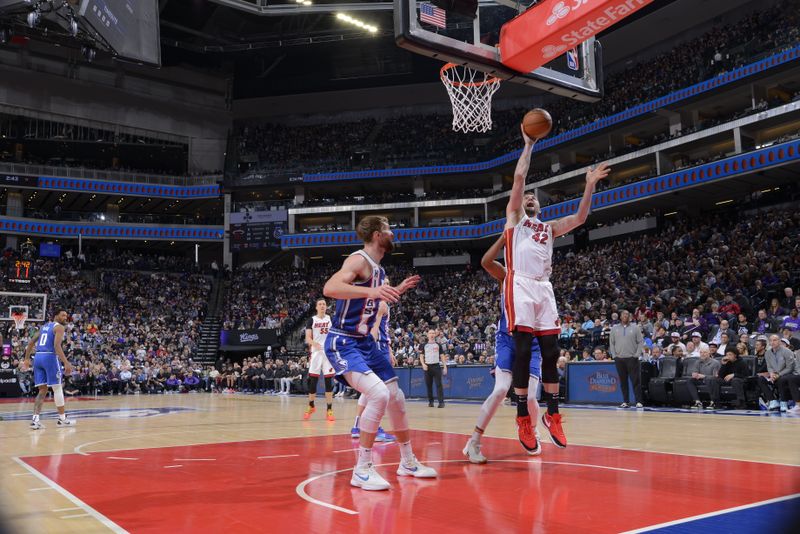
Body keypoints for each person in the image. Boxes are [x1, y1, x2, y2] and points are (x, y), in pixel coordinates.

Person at [503, 123, 610, 450]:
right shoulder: (514, 221)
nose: (530, 198)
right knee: (523, 350)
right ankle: (523, 416)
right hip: (520, 283)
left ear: (541, 206)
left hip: (544, 288)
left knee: (551, 352)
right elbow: (520, 179)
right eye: (527, 197)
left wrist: (589, 185)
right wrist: (529, 145)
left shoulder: (548, 229)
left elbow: (579, 218)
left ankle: (552, 413)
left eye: (534, 197)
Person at [323, 215, 436, 491]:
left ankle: (408, 462)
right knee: (379, 394)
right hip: (343, 341)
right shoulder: (358, 260)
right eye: (388, 229)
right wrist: (374, 291)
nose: (393, 233)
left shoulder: (380, 270)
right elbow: (330, 288)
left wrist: (393, 291)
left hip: (365, 344)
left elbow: (371, 300)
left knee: (396, 397)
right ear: (376, 235)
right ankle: (361, 469)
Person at [464, 235, 543, 463]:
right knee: (500, 390)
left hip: (533, 342)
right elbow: (486, 262)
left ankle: (533, 430)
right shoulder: (507, 274)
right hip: (508, 340)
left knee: (529, 397)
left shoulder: (541, 277)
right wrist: (503, 237)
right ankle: (474, 442)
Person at [20, 309, 75, 429]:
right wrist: (66, 362)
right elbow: (56, 346)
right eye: (63, 315)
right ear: (56, 316)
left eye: (66, 315)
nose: (65, 317)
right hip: (49, 356)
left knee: (42, 390)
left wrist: (27, 359)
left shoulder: (44, 327)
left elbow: (30, 343)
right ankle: (62, 418)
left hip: (38, 358)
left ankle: (35, 420)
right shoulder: (59, 327)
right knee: (57, 387)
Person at [351, 299, 396, 443]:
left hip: (381, 346)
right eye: (385, 283)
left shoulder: (372, 303)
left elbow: (383, 330)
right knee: (381, 391)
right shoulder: (379, 304)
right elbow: (373, 328)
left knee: (369, 389)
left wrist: (389, 349)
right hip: (376, 346)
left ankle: (357, 426)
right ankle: (374, 428)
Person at [304, 299, 335, 421]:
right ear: (316, 307)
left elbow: (336, 333)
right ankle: (311, 405)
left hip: (328, 353)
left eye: (324, 304)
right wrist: (314, 343)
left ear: (326, 307)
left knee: (329, 383)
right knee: (313, 382)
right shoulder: (311, 320)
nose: (322, 306)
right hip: (316, 353)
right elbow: (307, 338)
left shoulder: (330, 319)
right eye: (320, 304)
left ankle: (329, 409)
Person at [609, 310, 644, 408]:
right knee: (623, 381)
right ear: (620, 317)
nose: (625, 316)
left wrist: (636, 355)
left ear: (630, 317)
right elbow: (612, 343)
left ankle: (638, 401)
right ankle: (626, 401)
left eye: (627, 315)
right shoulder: (614, 329)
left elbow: (640, 342)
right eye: (623, 315)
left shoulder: (635, 327)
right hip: (619, 359)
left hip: (632, 358)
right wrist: (614, 356)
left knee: (635, 380)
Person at [765, 335, 800, 413]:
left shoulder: (788, 352)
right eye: (771, 340)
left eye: (775, 340)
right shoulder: (767, 353)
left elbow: (790, 368)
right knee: (760, 379)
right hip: (776, 374)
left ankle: (784, 402)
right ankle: (773, 401)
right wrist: (771, 374)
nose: (772, 342)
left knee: (786, 379)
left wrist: (778, 375)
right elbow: (769, 366)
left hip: (785, 374)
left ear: (779, 342)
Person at [422, 329, 447, 408]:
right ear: (427, 335)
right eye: (430, 333)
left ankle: (441, 402)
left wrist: (445, 367)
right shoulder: (424, 345)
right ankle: (431, 401)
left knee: (439, 384)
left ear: (435, 335)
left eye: (433, 333)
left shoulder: (438, 345)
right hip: (427, 367)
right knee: (428, 385)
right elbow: (421, 356)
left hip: (436, 366)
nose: (432, 334)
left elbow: (442, 356)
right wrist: (423, 364)